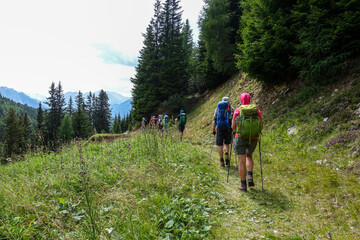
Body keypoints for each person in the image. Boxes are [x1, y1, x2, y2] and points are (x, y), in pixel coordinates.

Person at [232, 93, 263, 192]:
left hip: (240, 137)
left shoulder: (238, 110)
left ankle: (243, 185)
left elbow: (233, 127)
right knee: (249, 156)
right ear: (249, 99)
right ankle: (250, 175)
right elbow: (261, 126)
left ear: (241, 99)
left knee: (241, 161)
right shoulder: (256, 110)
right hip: (253, 138)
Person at [212, 97, 233, 167]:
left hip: (219, 127)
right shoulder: (231, 108)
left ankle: (221, 160)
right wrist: (233, 129)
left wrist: (213, 129)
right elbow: (233, 118)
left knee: (220, 145)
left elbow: (215, 119)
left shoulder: (218, 109)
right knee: (226, 143)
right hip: (228, 127)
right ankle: (226, 154)